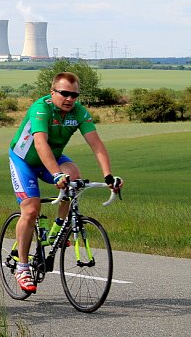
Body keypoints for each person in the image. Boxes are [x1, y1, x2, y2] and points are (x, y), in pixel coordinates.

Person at [8, 72, 123, 293]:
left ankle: (59, 229)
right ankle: (22, 267)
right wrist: (56, 174)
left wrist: (108, 175)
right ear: (52, 93)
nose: (69, 99)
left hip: (53, 157)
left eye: (74, 95)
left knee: (75, 179)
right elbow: (40, 144)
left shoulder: (79, 112)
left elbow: (96, 145)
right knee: (31, 210)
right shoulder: (41, 109)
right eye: (64, 94)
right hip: (24, 161)